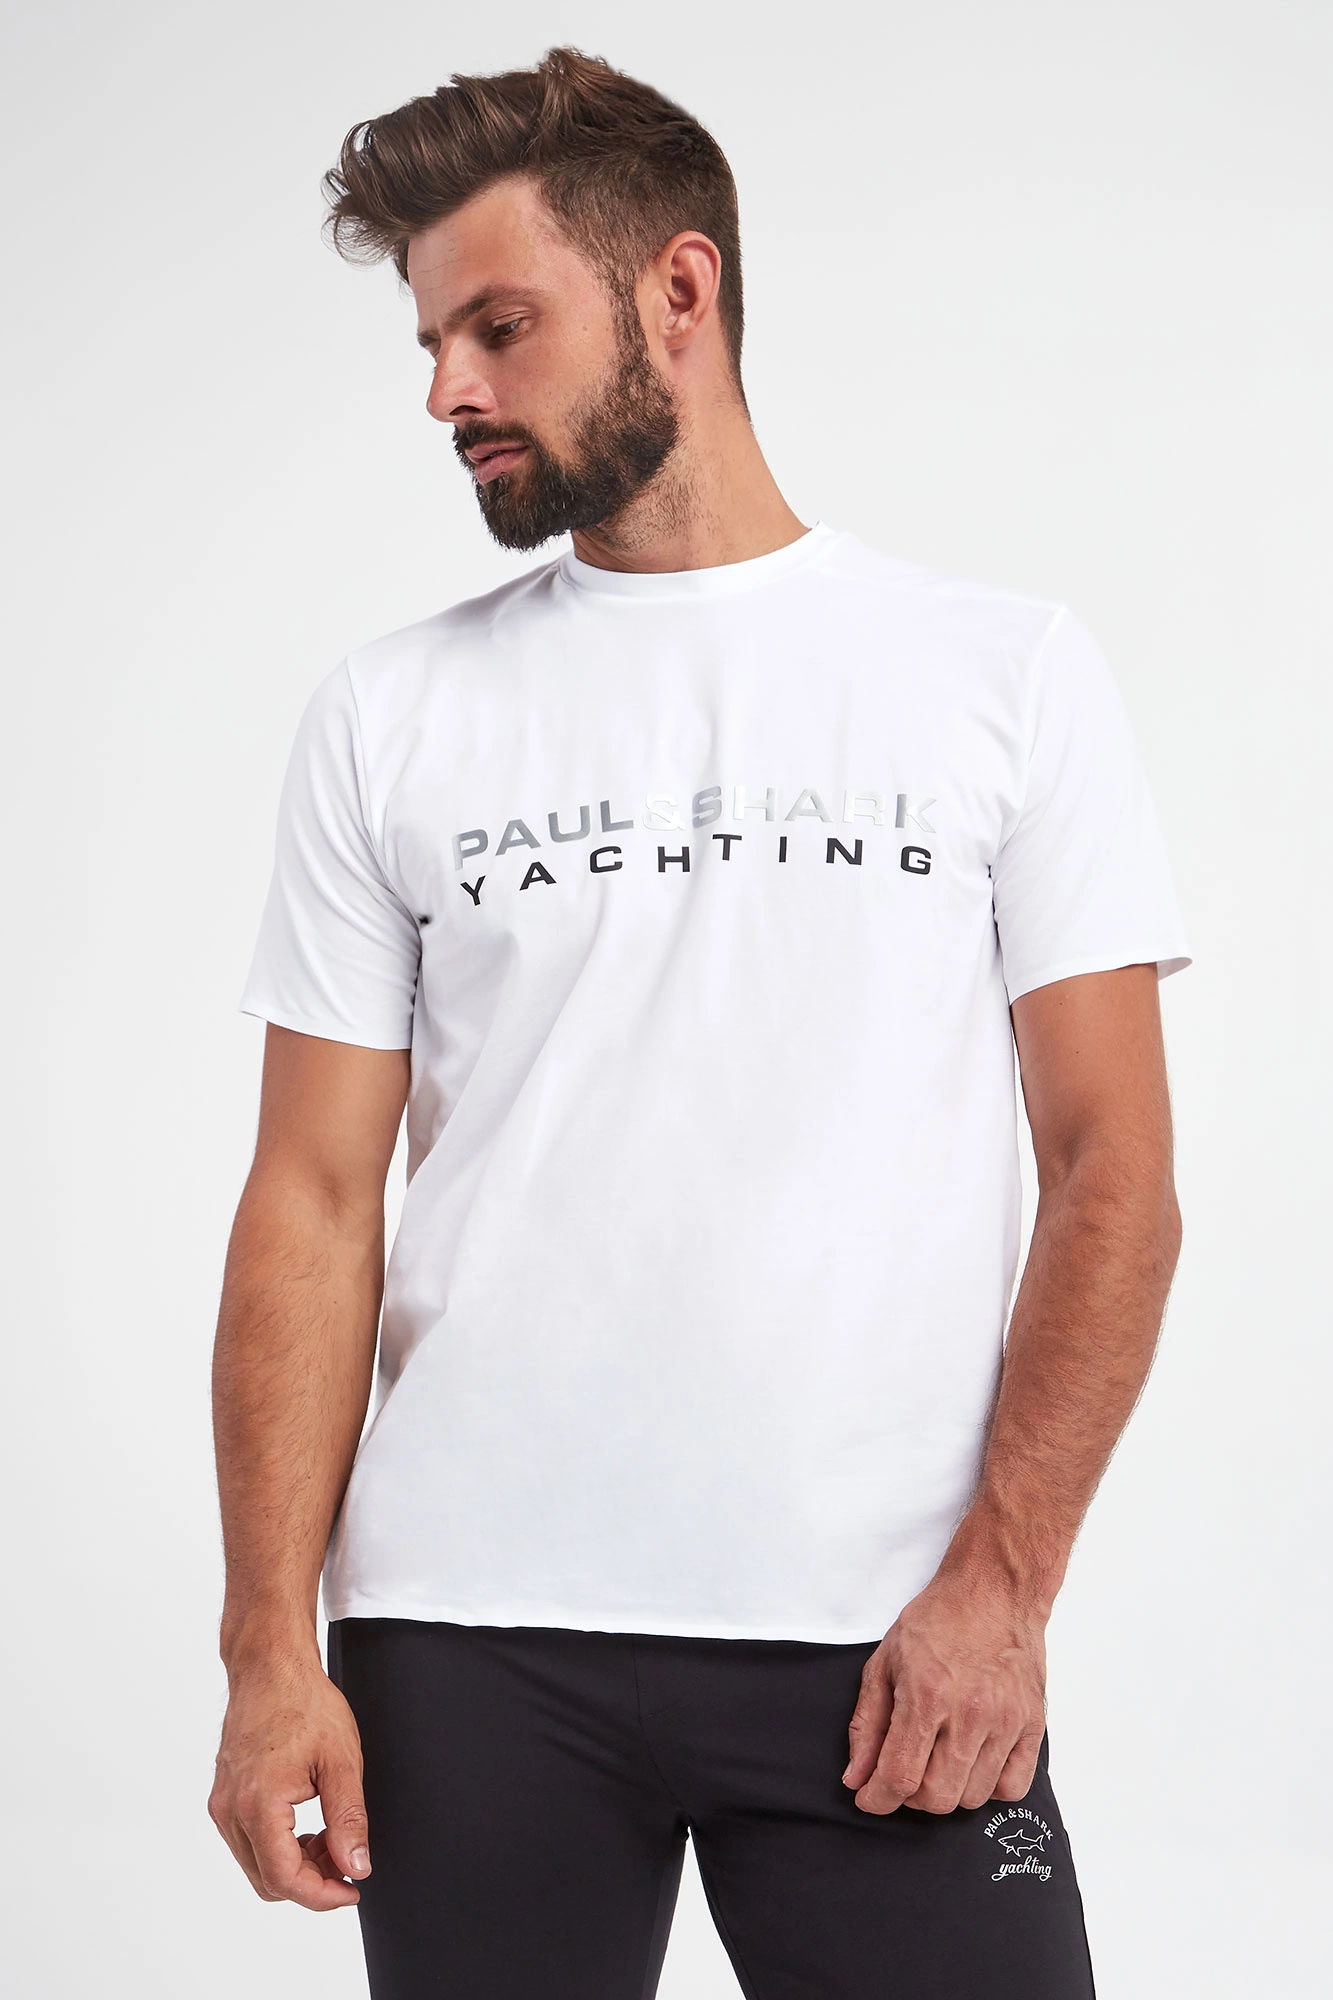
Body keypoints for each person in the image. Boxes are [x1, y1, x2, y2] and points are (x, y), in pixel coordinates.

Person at [208, 45, 1191, 2000]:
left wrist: (1004, 1590)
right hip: (466, 1645)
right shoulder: (392, 715)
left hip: (889, 1640)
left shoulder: (1001, 677)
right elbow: (310, 1202)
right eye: (430, 342)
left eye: (498, 327)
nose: (446, 389)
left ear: (678, 288)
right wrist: (264, 1656)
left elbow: (1117, 1177)